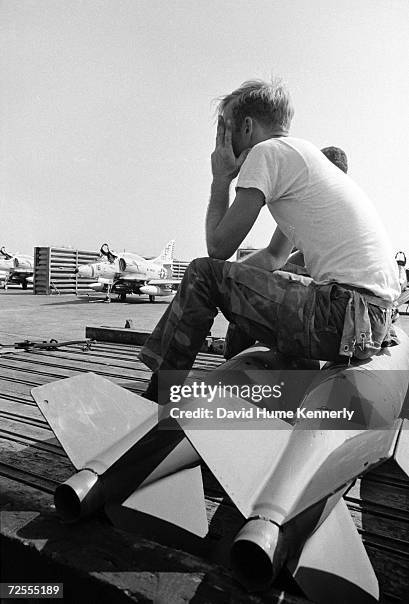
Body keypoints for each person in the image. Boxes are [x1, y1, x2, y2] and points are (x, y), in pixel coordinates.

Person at [140, 78, 400, 400]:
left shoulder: (267, 153)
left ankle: (156, 399)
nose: (224, 141)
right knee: (251, 278)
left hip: (341, 314)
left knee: (202, 274)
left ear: (246, 126)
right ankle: (273, 382)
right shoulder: (303, 159)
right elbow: (274, 257)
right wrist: (240, 282)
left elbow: (218, 249)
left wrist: (220, 178)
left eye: (226, 130)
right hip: (370, 320)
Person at [223, 144, 348, 358]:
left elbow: (275, 256)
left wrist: (229, 275)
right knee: (260, 280)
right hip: (345, 297)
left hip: (335, 295)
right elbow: (294, 257)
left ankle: (232, 356)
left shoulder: (314, 200)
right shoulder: (346, 204)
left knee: (252, 290)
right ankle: (235, 354)